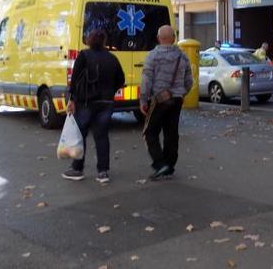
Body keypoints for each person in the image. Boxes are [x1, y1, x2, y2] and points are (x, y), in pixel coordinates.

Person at [63, 29, 125, 183]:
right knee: (102, 136)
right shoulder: (112, 58)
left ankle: (77, 169)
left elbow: (75, 78)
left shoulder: (84, 56)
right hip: (106, 102)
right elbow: (121, 79)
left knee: (80, 134)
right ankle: (103, 172)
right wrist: (110, 91)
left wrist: (71, 99)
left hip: (85, 101)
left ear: (89, 40)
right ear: (104, 42)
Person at [140, 25, 193, 181]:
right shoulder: (183, 57)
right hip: (177, 100)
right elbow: (189, 81)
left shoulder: (152, 56)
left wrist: (144, 99)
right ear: (174, 38)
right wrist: (182, 93)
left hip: (159, 100)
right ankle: (169, 166)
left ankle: (160, 163)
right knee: (171, 133)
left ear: (158, 38)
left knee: (149, 132)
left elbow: (146, 80)